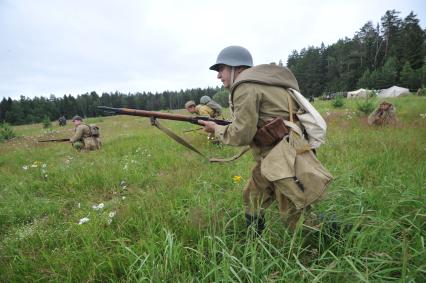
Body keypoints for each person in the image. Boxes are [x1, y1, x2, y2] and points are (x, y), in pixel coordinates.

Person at [199, 46, 331, 234]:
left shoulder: (245, 86)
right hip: (282, 151)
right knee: (252, 195)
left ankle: (331, 241)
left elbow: (242, 134)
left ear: (236, 67)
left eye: (221, 69)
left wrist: (217, 129)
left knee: (294, 215)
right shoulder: (268, 82)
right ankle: (254, 244)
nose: (218, 76)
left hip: (280, 157)